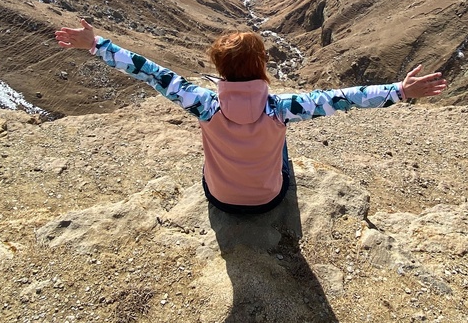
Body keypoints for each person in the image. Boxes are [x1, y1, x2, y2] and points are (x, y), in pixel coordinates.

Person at [55, 20, 447, 215]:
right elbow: (344, 99)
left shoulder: (202, 104)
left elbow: (151, 72)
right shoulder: (281, 109)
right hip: (268, 201)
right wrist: (400, 91)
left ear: (219, 69)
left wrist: (96, 45)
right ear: (261, 65)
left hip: (221, 199)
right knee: (282, 150)